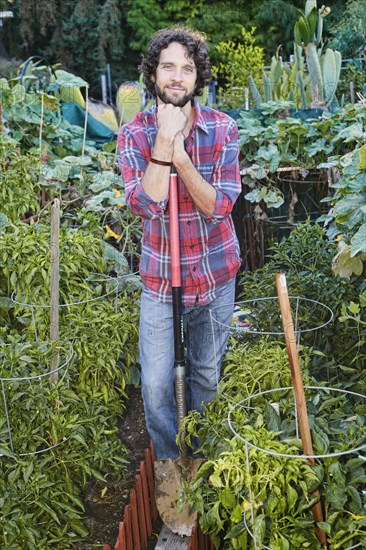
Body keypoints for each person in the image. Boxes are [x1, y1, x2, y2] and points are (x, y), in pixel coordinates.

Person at [118, 26, 242, 460]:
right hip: (159, 279)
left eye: (186, 68)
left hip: (214, 273)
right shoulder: (134, 134)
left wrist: (179, 151)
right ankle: (172, 460)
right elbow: (146, 205)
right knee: (154, 385)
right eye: (167, 66)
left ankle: (204, 458)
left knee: (205, 376)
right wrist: (160, 143)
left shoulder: (223, 129)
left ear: (197, 78)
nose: (177, 76)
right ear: (153, 74)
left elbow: (219, 206)